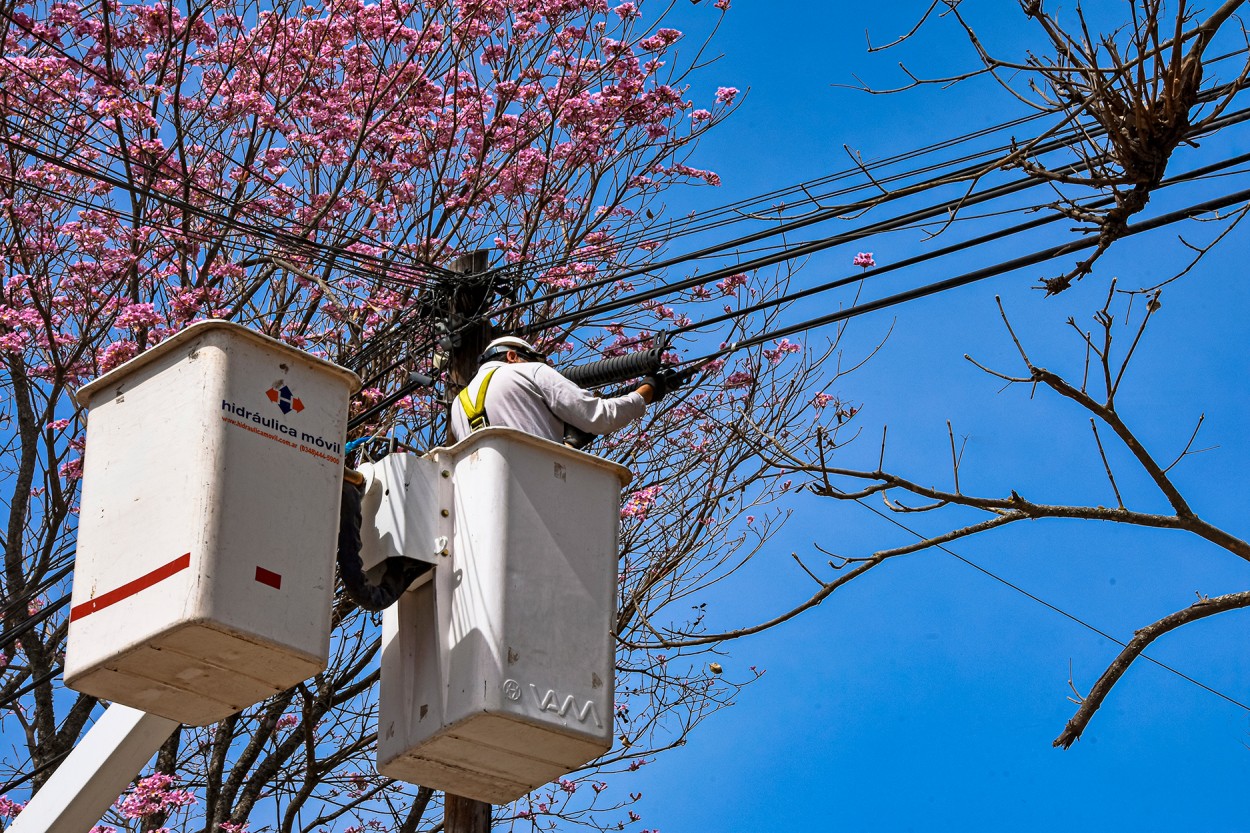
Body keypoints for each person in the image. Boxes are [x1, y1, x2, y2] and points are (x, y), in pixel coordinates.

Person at [451, 336, 671, 445]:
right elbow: (600, 417)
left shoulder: (457, 405)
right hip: (539, 495)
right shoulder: (531, 371)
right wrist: (646, 392)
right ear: (512, 356)